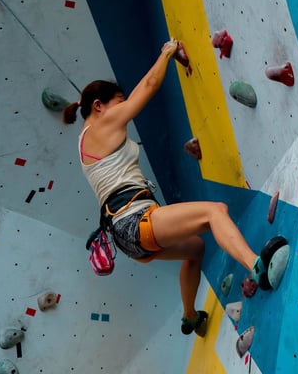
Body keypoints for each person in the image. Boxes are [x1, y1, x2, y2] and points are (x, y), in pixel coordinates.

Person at [63, 39, 264, 336]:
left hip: (126, 236)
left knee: (195, 248)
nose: (122, 110)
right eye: (118, 103)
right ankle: (256, 265)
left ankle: (190, 316)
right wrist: (166, 53)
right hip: (134, 221)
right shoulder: (100, 125)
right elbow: (147, 88)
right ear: (99, 106)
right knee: (215, 212)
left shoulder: (86, 142)